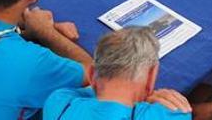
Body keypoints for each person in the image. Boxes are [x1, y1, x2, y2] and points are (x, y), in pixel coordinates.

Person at [44, 27, 192, 119]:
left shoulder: (58, 103)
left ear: (91, 74)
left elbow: (85, 94)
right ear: (151, 76)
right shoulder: (173, 113)